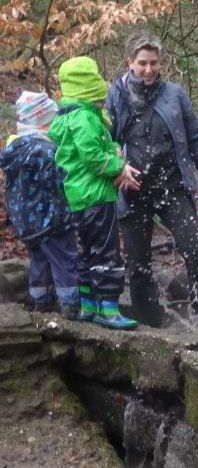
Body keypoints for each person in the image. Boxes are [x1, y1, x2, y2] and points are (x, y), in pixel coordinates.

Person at [106, 31, 198, 327]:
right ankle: (150, 324)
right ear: (129, 61)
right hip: (132, 190)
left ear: (160, 62)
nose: (148, 69)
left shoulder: (175, 95)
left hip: (172, 187)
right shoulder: (115, 95)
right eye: (142, 63)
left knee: (195, 248)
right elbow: (104, 140)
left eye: (154, 63)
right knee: (139, 264)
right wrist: (117, 167)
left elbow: (195, 138)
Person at [48, 56, 141, 330]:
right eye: (99, 99)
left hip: (78, 196)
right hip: (97, 196)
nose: (103, 103)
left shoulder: (69, 117)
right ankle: (108, 309)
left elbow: (92, 149)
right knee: (106, 251)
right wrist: (119, 166)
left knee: (88, 251)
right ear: (90, 92)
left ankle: (88, 307)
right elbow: (92, 156)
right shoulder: (85, 119)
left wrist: (112, 152)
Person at [0, 91, 79, 319]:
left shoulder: (15, 150)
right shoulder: (47, 151)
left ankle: (41, 302)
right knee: (65, 259)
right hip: (52, 219)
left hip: (27, 221)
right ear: (44, 121)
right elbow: (60, 182)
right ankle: (70, 305)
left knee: (39, 260)